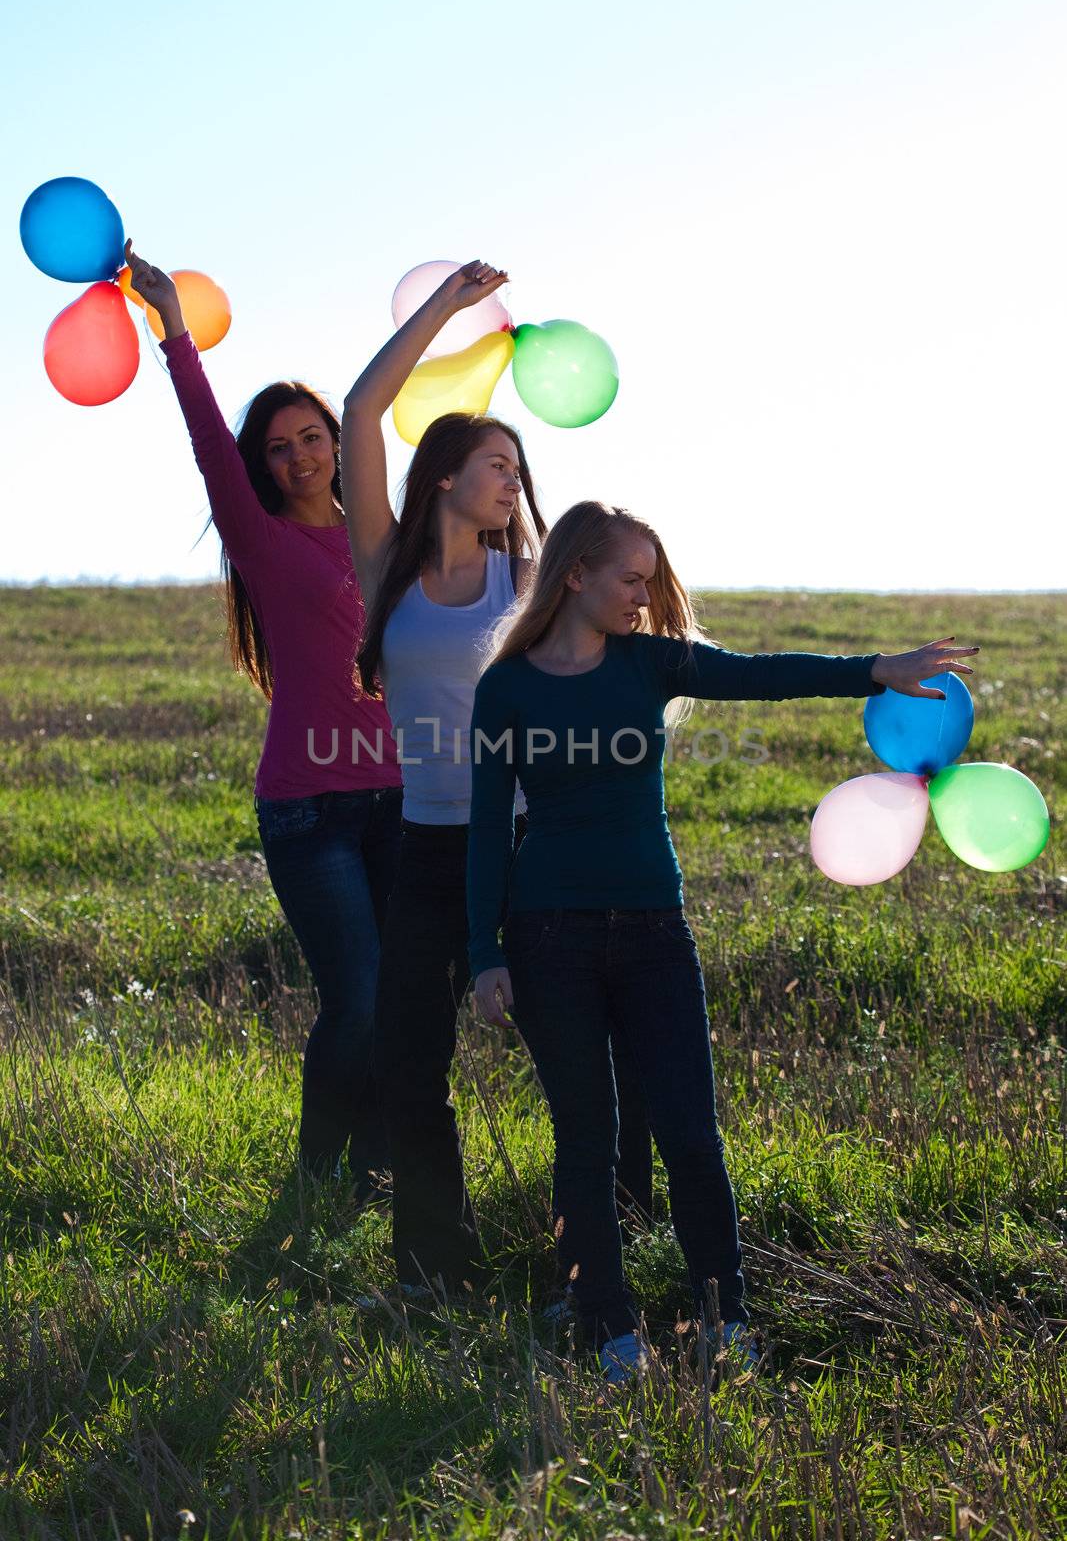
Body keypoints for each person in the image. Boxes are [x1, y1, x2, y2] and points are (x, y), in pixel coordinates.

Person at [466, 500, 979, 1379]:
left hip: (655, 931)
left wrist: (872, 671)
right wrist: (484, 953)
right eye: (629, 578)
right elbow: (484, 828)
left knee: (690, 1133)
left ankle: (724, 1317)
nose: (642, 595)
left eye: (649, 580)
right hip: (548, 934)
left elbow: (758, 674)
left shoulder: (649, 662)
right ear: (575, 574)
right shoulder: (505, 689)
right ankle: (608, 1329)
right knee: (585, 1137)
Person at [341, 263, 656, 1297]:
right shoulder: (386, 564)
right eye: (493, 461)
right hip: (423, 845)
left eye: (519, 466)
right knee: (405, 1058)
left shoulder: (529, 582)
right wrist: (444, 315)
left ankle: (601, 1249)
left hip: (527, 846)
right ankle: (437, 1266)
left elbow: (626, 624)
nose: (512, 480)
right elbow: (358, 411)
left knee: (576, 1055)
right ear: (441, 474)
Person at [123, 240, 404, 1197]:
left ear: (338, 439)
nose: (294, 456)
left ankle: (373, 1171)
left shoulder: (390, 540)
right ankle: (318, 1178)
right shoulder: (261, 540)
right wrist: (172, 330)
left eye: (309, 437)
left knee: (400, 1000)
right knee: (355, 998)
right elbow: (207, 437)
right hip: (308, 808)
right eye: (276, 447)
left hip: (403, 800)